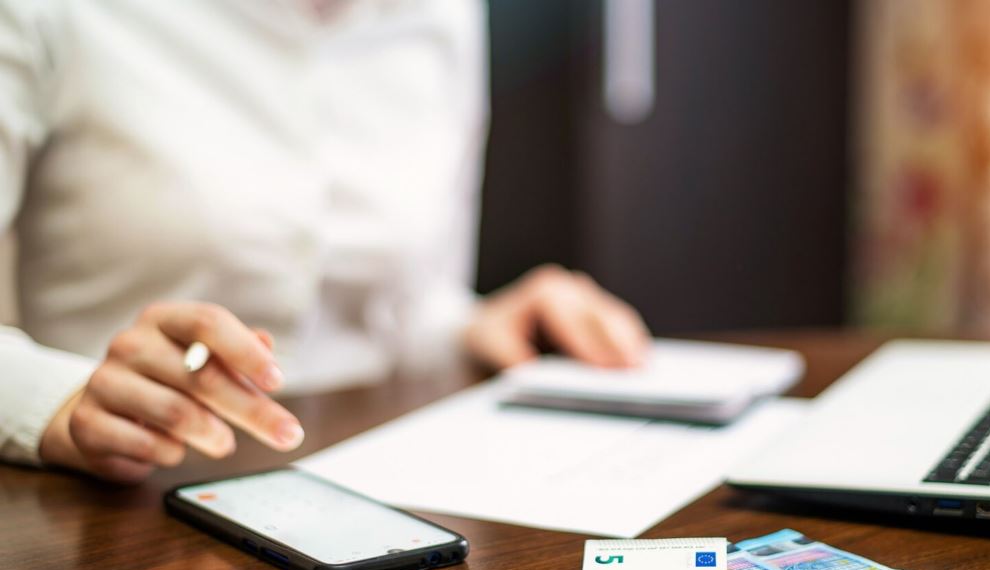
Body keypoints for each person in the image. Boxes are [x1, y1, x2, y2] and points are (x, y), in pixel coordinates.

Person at [0, 0, 649, 484]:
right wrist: (60, 400)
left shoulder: (444, 16)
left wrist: (475, 324)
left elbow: (399, 302)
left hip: (384, 494)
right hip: (111, 510)